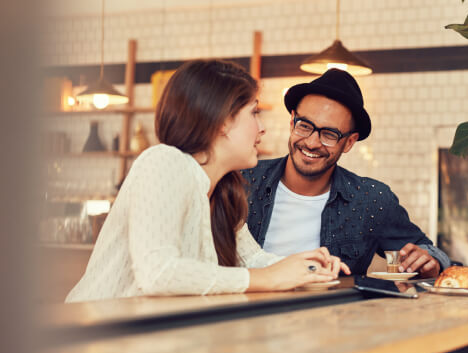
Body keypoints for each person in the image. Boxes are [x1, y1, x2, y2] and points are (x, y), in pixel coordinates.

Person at [66, 60, 348, 303]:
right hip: (90, 340)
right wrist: (265, 279)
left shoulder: (225, 189)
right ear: (223, 121)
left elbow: (253, 260)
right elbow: (158, 274)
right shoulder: (164, 162)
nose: (262, 128)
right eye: (254, 112)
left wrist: (311, 269)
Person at [242, 69, 450, 278]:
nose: (312, 142)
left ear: (349, 142)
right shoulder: (241, 180)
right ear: (292, 121)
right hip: (245, 309)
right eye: (304, 126)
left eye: (329, 134)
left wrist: (428, 263)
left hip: (333, 311)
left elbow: (425, 252)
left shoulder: (370, 199)